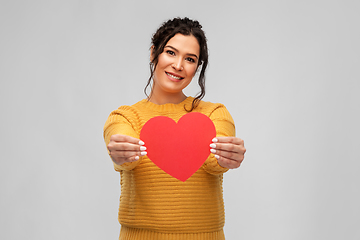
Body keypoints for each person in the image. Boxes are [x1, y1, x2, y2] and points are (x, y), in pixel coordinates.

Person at [104, 17, 246, 240]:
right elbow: (125, 148)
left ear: (197, 67)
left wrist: (225, 157)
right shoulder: (124, 117)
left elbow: (213, 160)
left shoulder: (215, 113)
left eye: (190, 59)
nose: (178, 65)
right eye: (170, 52)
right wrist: (122, 153)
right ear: (154, 53)